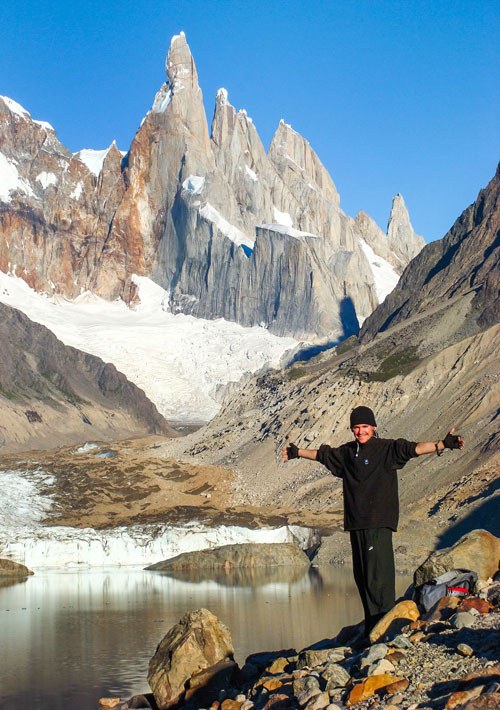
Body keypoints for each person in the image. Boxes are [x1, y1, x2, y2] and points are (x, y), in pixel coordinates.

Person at [282, 405, 464, 638]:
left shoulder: (387, 448)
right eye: (356, 427)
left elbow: (414, 449)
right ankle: (372, 627)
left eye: (365, 427)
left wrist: (442, 444)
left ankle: (386, 628)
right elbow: (323, 455)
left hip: (378, 522)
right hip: (356, 523)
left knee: (379, 575)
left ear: (373, 427)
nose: (361, 431)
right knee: (363, 577)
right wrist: (298, 453)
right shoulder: (348, 452)